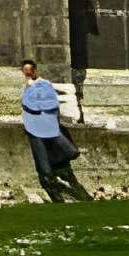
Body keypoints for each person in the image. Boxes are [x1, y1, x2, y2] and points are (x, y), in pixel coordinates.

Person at [18, 59, 90, 202]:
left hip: (48, 128)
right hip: (37, 128)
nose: (27, 74)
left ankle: (74, 191)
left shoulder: (43, 85)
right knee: (46, 166)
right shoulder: (32, 86)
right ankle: (58, 192)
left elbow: (42, 104)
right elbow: (32, 104)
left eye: (29, 71)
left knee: (61, 167)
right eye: (25, 71)